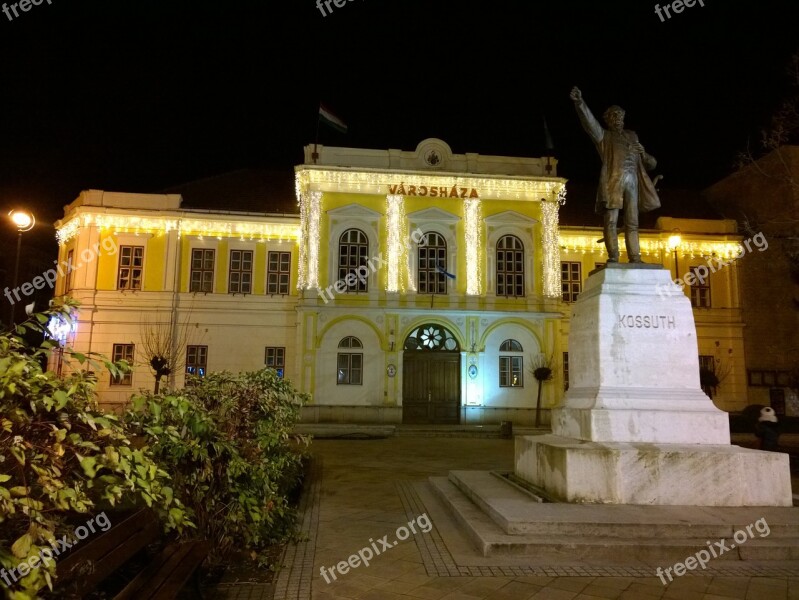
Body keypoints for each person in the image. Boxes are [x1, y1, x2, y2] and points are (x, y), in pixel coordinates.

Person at [570, 86, 661, 263]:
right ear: (608, 121)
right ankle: (613, 256)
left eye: (620, 116)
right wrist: (580, 103)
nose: (618, 119)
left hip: (632, 183)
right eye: (614, 117)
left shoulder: (632, 136)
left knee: (632, 222)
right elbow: (590, 123)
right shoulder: (605, 137)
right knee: (611, 221)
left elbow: (651, 164)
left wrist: (643, 154)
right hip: (613, 183)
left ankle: (635, 257)